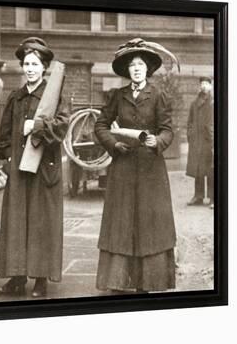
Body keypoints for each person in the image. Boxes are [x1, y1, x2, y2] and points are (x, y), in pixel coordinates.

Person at [94, 38, 177, 293]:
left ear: (147, 69)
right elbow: (101, 125)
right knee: (122, 221)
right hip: (123, 167)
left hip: (151, 170)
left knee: (148, 224)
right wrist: (113, 145)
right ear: (127, 70)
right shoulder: (118, 96)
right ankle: (118, 281)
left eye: (140, 64)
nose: (137, 69)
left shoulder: (159, 95)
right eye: (132, 65)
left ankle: (148, 282)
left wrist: (158, 141)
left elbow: (168, 129)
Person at [0, 37, 69, 298]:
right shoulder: (16, 97)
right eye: (26, 64)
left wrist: (35, 127)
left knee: (41, 224)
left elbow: (61, 127)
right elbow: (3, 135)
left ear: (44, 66)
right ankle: (16, 277)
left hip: (44, 171)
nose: (30, 69)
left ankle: (40, 280)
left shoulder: (55, 95)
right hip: (18, 173)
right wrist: (8, 158)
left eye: (35, 64)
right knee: (16, 223)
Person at [186, 76, 214, 208]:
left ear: (211, 85)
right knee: (198, 169)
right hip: (197, 141)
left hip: (210, 141)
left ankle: (213, 198)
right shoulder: (195, 103)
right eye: (202, 83)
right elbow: (190, 122)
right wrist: (190, 135)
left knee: (211, 170)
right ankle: (198, 196)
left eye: (206, 84)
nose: (203, 86)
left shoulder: (215, 101)